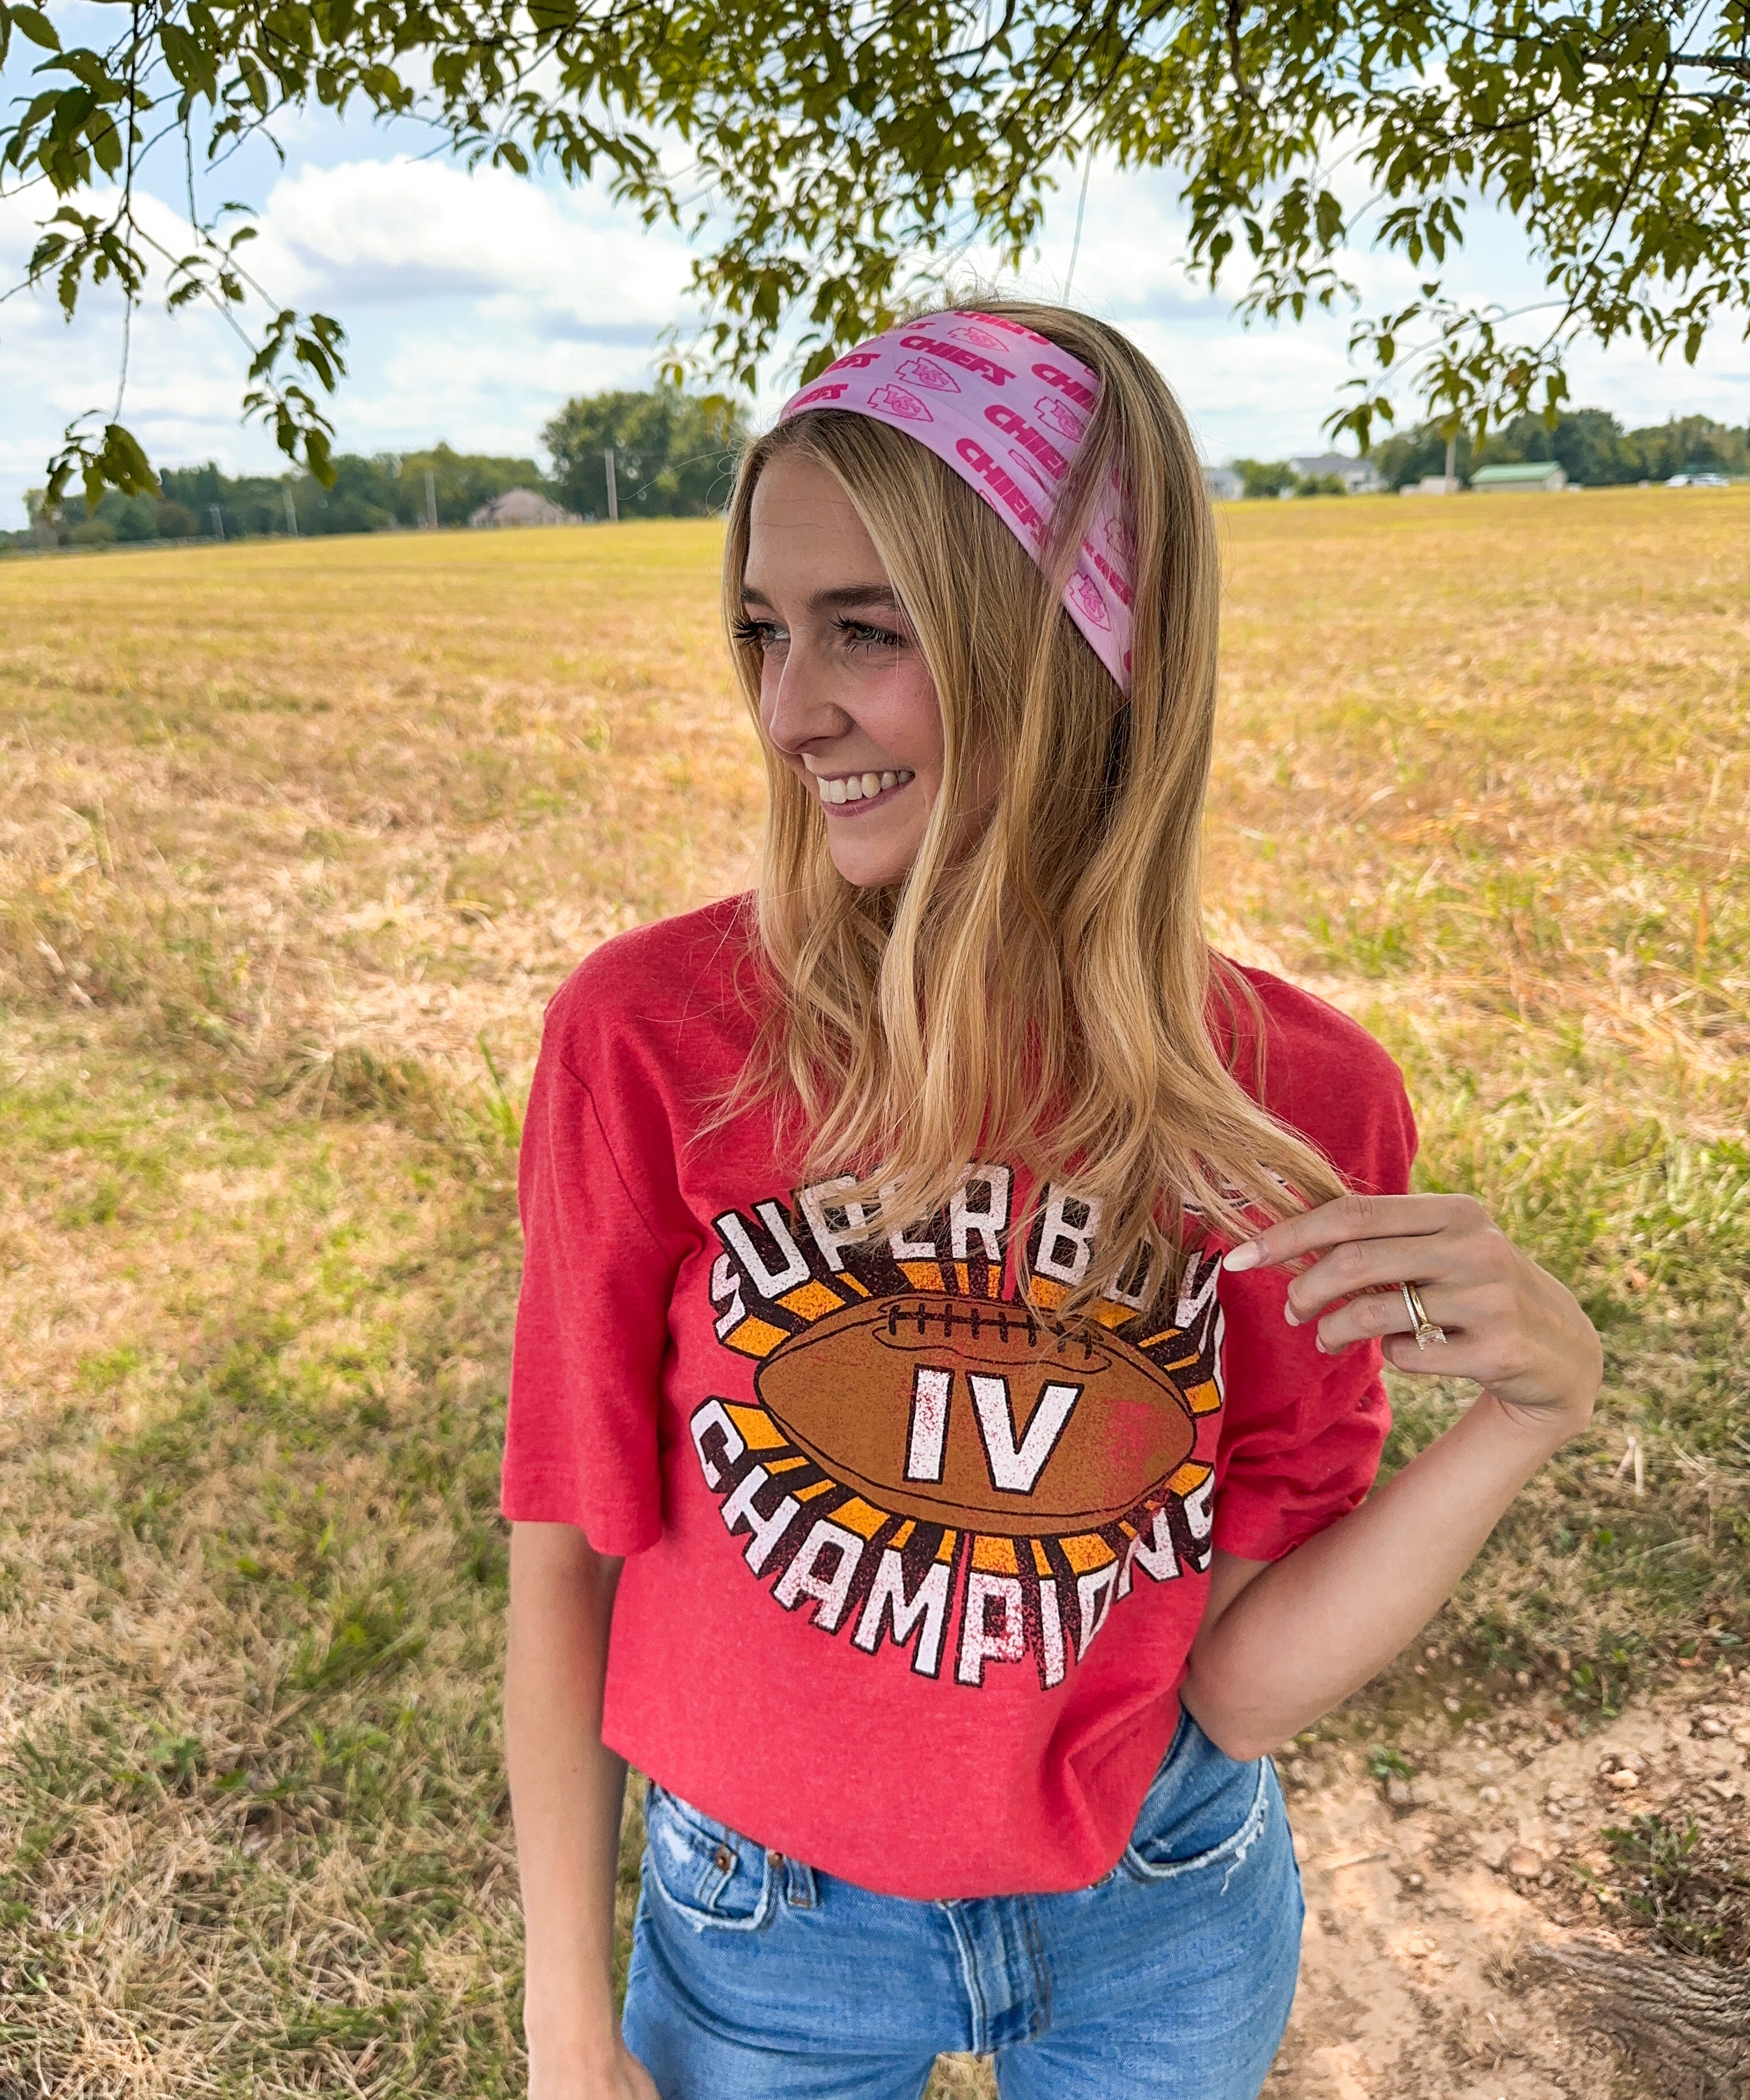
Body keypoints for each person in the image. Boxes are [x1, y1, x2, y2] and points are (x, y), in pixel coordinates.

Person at [501, 301, 1602, 2100]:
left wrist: (1524, 1416)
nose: (791, 712)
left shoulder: (1298, 1104)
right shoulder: (651, 1040)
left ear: (1078, 642)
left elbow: (1238, 1688)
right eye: (767, 631)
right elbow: (563, 1551)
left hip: (1156, 1908)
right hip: (763, 1930)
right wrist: (565, 2021)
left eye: (869, 631)